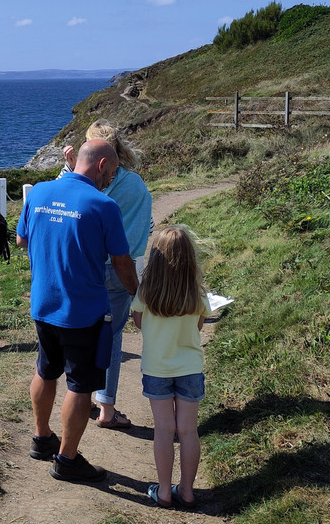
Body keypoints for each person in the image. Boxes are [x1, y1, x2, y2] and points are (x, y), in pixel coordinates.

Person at [15, 139, 139, 482]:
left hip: (43, 304)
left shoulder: (38, 192)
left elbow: (22, 239)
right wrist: (138, 295)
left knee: (45, 369)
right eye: (111, 173)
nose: (109, 179)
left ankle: (42, 439)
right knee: (81, 385)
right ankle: (67, 460)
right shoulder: (104, 205)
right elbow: (122, 262)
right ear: (101, 166)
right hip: (82, 311)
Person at [61, 120, 152, 429]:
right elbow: (138, 237)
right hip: (117, 271)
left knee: (78, 335)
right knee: (111, 339)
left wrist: (68, 171)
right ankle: (106, 408)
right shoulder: (135, 185)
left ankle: (80, 397)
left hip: (82, 269)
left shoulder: (78, 182)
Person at [132, 225, 209, 508]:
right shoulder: (197, 293)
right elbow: (199, 326)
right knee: (188, 430)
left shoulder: (147, 291)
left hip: (157, 369)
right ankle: (187, 490)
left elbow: (139, 322)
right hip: (189, 369)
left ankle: (164, 490)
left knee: (163, 430)